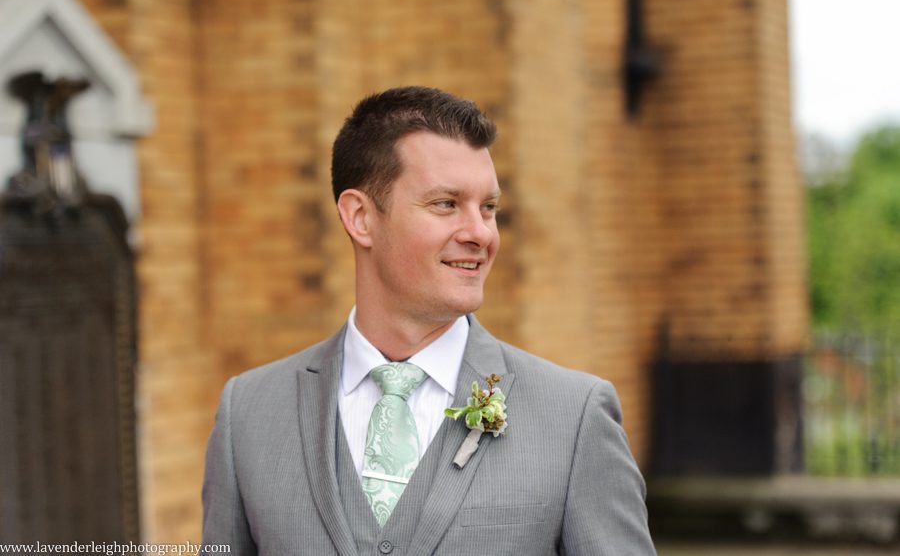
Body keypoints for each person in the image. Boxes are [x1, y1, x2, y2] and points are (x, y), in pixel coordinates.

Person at [201, 86, 656, 555]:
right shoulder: (247, 413)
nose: (481, 233)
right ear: (360, 217)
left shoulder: (575, 416)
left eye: (488, 208)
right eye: (446, 204)